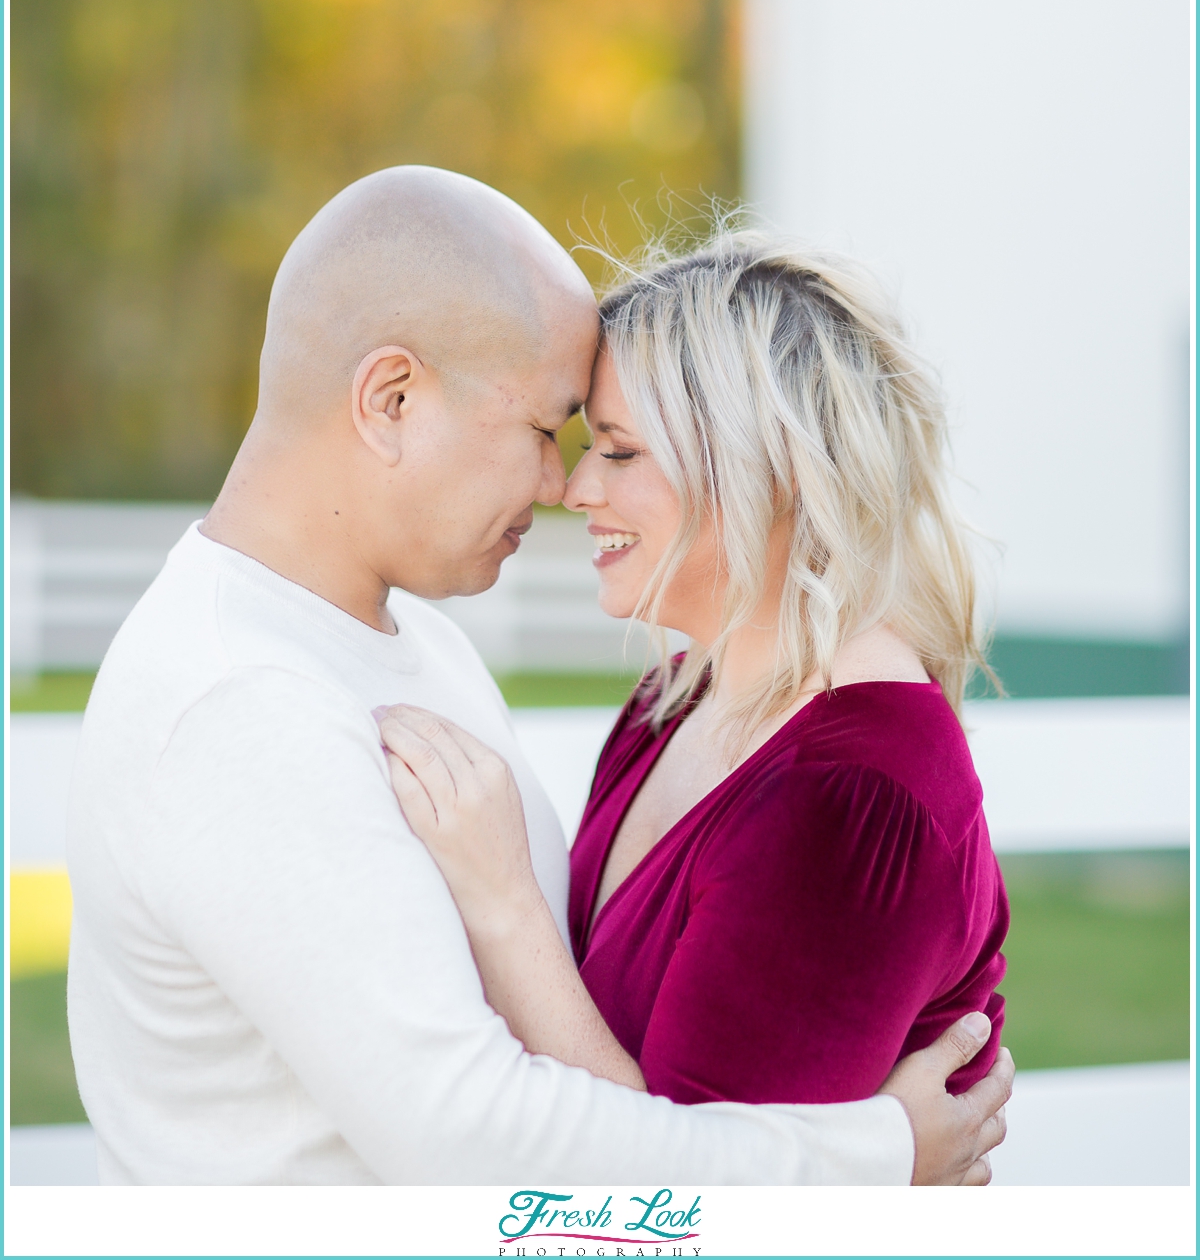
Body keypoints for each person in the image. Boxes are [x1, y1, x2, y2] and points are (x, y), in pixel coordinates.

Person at [66, 168, 1011, 1185]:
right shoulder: (238, 704)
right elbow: (474, 1138)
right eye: (548, 430)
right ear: (391, 399)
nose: (565, 485)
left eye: (610, 445)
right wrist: (880, 1152)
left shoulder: (416, 644)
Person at [376, 229, 1009, 1116]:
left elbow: (679, 1201)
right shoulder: (670, 700)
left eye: (620, 450)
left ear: (772, 469)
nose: (575, 487)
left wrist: (504, 899)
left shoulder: (852, 791)